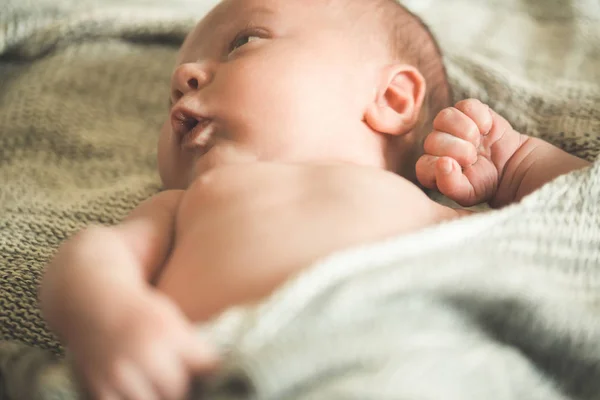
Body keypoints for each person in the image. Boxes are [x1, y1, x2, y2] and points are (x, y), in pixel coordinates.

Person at [39, 0, 591, 399]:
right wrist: (111, 318)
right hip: (219, 368)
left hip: (414, 353)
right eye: (172, 95)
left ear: (392, 99)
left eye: (243, 43)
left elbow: (576, 227)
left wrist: (520, 169)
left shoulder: (435, 211)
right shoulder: (191, 203)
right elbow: (87, 258)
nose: (184, 76)